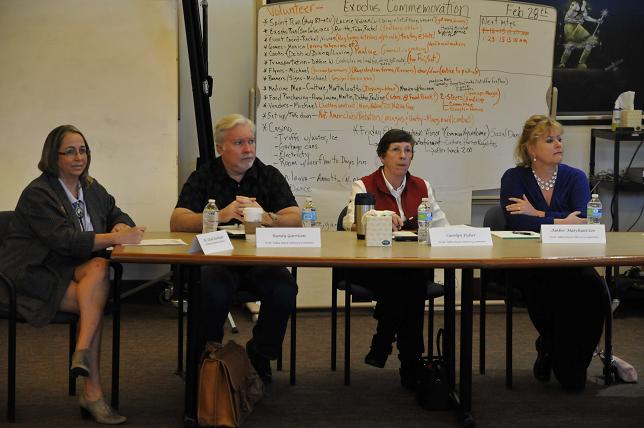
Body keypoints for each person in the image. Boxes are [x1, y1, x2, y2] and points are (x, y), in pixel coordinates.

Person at [0, 125, 145, 424]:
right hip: (31, 275)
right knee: (94, 301)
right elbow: (65, 240)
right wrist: (116, 238)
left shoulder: (90, 187)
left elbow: (117, 213)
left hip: (68, 269)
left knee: (100, 268)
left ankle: (81, 354)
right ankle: (92, 392)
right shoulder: (38, 193)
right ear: (53, 157)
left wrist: (119, 227)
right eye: (70, 151)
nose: (79, 157)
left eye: (83, 150)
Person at [170, 114, 300, 384]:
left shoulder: (268, 174)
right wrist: (220, 214)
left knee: (285, 288)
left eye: (251, 141)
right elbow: (177, 220)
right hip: (218, 259)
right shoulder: (204, 175)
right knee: (211, 290)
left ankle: (260, 353)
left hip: (259, 260)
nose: (248, 149)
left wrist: (266, 217)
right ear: (221, 148)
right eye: (239, 142)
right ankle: (209, 358)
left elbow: (295, 218)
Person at [500, 114, 605, 391]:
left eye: (559, 139)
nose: (558, 144)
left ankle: (573, 361)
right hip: (528, 261)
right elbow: (517, 222)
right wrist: (558, 219)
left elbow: (582, 219)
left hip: (570, 257)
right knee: (547, 291)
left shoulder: (575, 177)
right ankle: (550, 346)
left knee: (594, 289)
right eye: (549, 140)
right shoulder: (514, 178)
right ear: (531, 149)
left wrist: (538, 214)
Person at [341, 129, 449, 390]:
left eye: (408, 150)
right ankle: (411, 362)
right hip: (372, 266)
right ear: (382, 156)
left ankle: (383, 341)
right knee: (409, 286)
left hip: (410, 265)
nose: (403, 156)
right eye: (396, 150)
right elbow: (349, 222)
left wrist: (454, 235)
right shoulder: (364, 185)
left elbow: (440, 222)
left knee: (407, 281)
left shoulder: (422, 186)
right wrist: (379, 217)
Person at [558, 0, 607, 69]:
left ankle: (581, 63)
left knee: (590, 43)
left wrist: (596, 20)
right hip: (569, 27)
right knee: (570, 45)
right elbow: (566, 19)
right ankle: (562, 63)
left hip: (578, 27)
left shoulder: (584, 5)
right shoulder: (574, 5)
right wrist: (577, 21)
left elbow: (586, 17)